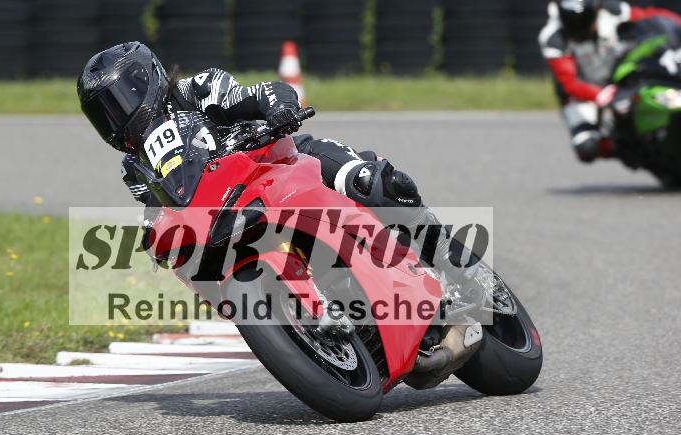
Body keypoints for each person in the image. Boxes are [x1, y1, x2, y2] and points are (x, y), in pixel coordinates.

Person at [77, 42, 481, 387]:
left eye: (122, 99)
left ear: (148, 78)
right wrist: (157, 236)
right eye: (105, 113)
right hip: (230, 214)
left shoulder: (196, 90)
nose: (118, 117)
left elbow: (263, 93)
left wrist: (279, 107)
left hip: (282, 163)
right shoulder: (135, 168)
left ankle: (455, 267)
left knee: (370, 182)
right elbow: (162, 208)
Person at [540, 0, 681, 163]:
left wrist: (677, 24)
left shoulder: (611, 10)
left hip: (620, 75)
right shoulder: (552, 38)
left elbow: (649, 16)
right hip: (582, 95)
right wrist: (599, 94)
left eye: (584, 20)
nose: (579, 27)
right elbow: (569, 82)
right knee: (587, 148)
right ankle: (623, 149)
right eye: (573, 22)